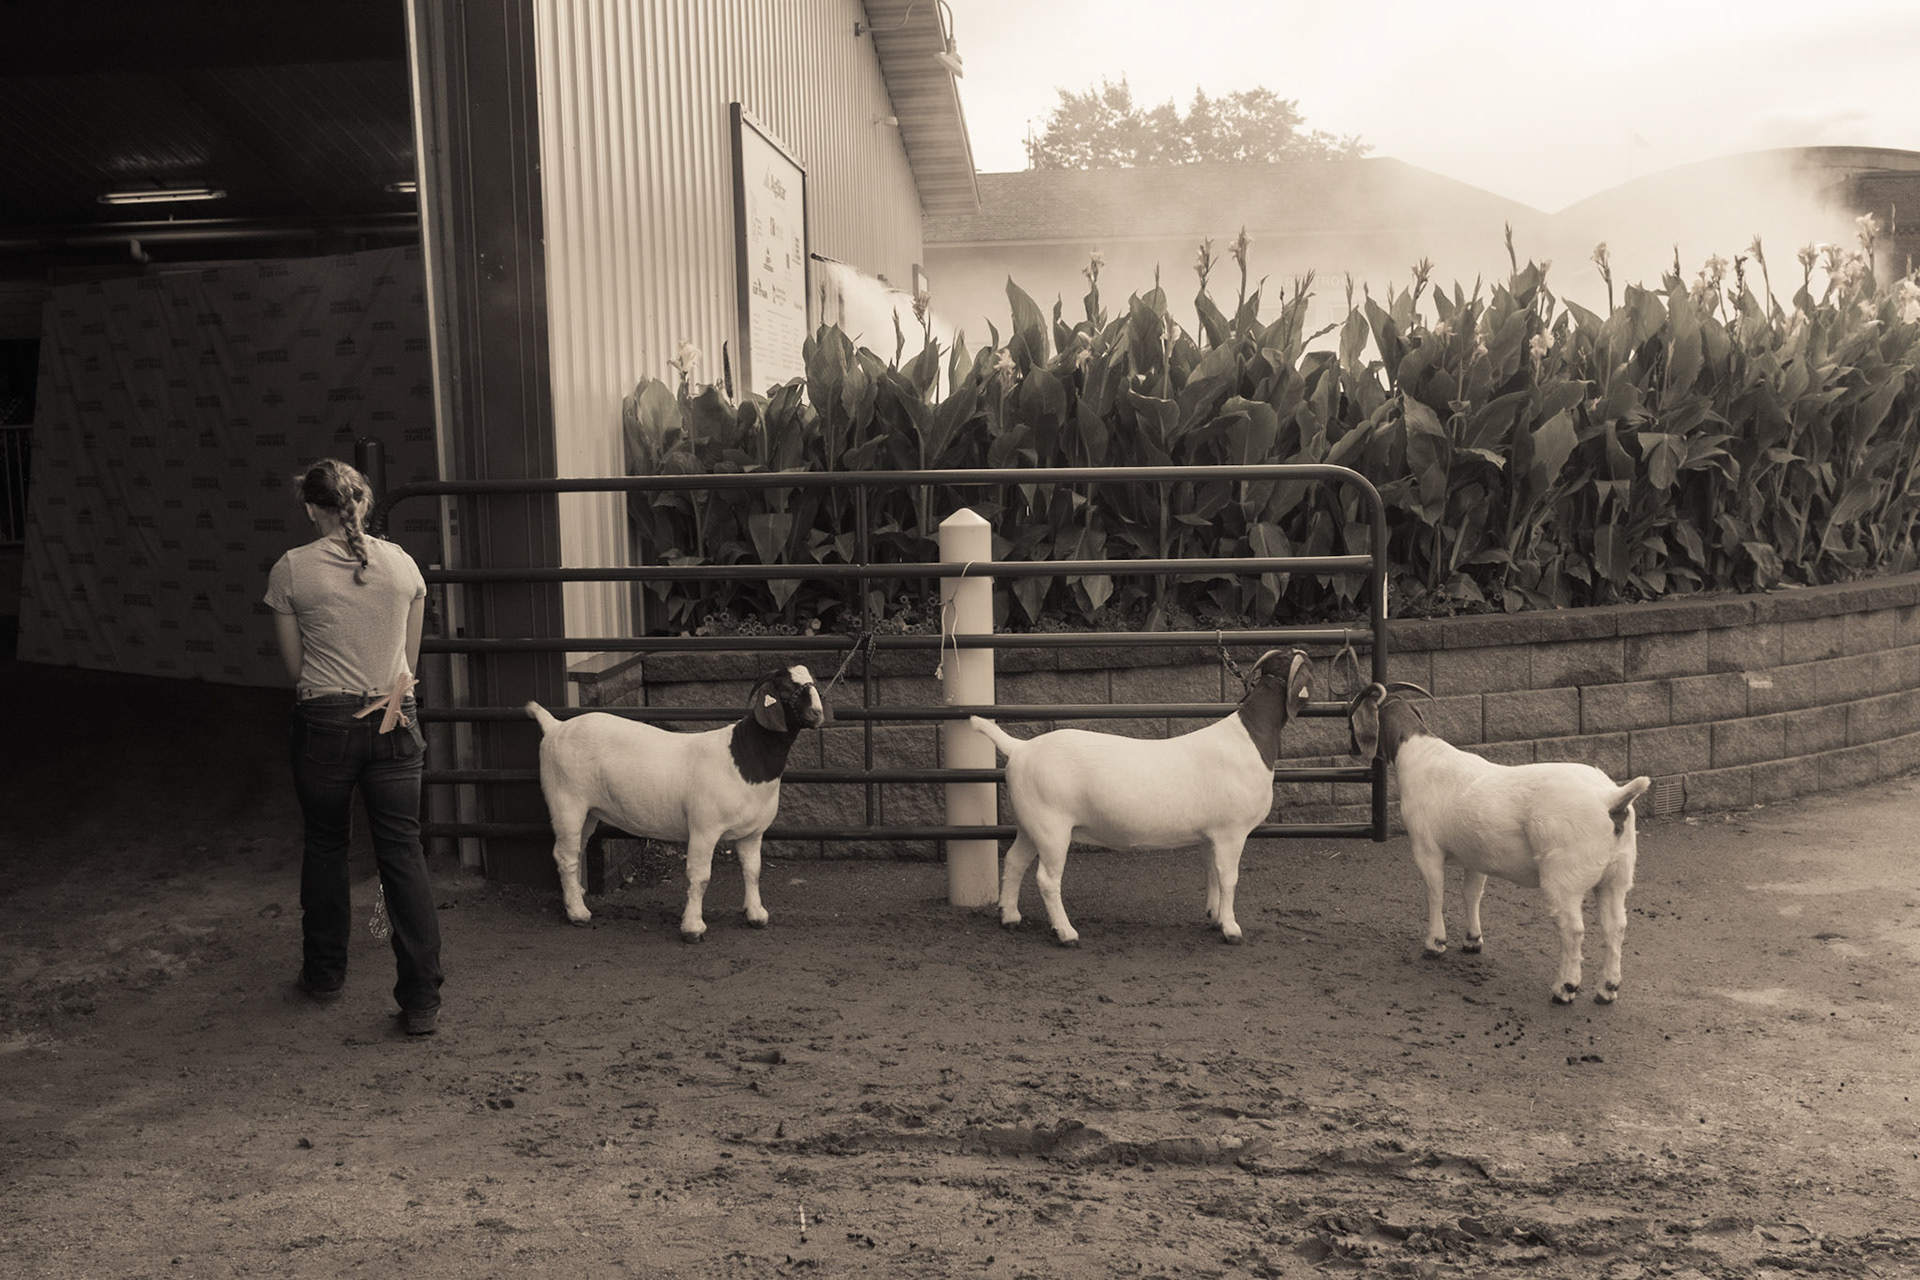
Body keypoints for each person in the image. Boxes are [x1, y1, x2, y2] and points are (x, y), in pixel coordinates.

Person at [265, 459, 443, 1036]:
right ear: (363, 502)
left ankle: (323, 974)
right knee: (403, 854)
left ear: (312, 509)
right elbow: (408, 667)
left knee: (325, 845)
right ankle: (421, 1001)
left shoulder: (292, 570)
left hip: (326, 720)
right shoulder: (404, 567)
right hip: (395, 716)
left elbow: (296, 669)